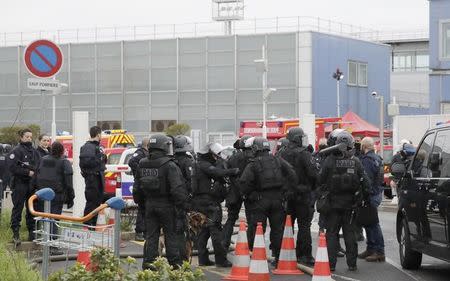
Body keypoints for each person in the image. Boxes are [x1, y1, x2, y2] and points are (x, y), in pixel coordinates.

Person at [240, 137, 298, 267]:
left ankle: (256, 257)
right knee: (278, 230)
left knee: (258, 229)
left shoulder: (253, 164)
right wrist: (287, 191)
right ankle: (278, 258)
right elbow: (292, 174)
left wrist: (250, 195)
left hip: (260, 200)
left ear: (255, 148)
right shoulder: (277, 160)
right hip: (278, 200)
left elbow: (244, 183)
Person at [133, 134, 189, 269]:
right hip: (168, 206)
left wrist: (142, 206)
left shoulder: (142, 163)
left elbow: (137, 188)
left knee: (151, 237)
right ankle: (175, 266)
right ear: (164, 146)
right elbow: (177, 190)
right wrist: (182, 208)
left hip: (150, 205)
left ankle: (148, 265)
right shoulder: (169, 165)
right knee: (171, 236)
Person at [318, 131, 370, 271]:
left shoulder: (328, 161)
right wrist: (364, 199)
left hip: (333, 204)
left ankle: (331, 265)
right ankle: (352, 264)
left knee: (332, 234)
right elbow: (366, 183)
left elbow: (320, 181)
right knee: (350, 234)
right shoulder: (355, 161)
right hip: (351, 205)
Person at [191, 142, 238, 267]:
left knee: (203, 230)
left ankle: (203, 259)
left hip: (199, 202)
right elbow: (217, 173)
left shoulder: (196, 164)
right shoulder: (205, 165)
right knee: (215, 230)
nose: (217, 157)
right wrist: (233, 171)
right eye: (215, 155)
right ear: (209, 154)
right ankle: (221, 260)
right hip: (209, 203)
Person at [278, 127, 317, 266]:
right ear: (297, 138)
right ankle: (304, 255)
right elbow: (314, 174)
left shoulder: (281, 153)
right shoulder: (304, 154)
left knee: (286, 226)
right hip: (302, 194)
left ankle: (283, 254)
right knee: (304, 226)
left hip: (286, 196)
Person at [32, 141, 75, 255]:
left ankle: (45, 244)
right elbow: (69, 183)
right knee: (54, 220)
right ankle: (53, 246)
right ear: (62, 151)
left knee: (45, 219)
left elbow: (36, 176)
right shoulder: (64, 162)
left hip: (42, 194)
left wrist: (35, 192)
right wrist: (71, 197)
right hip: (56, 195)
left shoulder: (43, 159)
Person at [8, 128, 40, 244]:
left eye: (30, 137)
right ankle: (15, 234)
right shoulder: (16, 151)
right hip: (19, 184)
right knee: (18, 208)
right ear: (21, 137)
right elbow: (12, 167)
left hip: (32, 185)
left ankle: (32, 233)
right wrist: (27, 172)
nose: (29, 139)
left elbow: (38, 166)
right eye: (27, 137)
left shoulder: (35, 152)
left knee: (31, 209)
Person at [357, 137, 386, 262]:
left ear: (364, 147)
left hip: (371, 194)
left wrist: (364, 195)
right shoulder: (378, 158)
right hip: (377, 192)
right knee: (369, 222)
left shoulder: (367, 160)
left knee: (373, 224)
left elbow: (366, 179)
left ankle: (379, 251)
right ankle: (371, 248)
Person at [222, 135, 252, 251]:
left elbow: (227, 172)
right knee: (251, 219)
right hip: (248, 190)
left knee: (231, 218)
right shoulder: (252, 157)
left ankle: (224, 244)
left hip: (234, 190)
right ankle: (250, 246)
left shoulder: (233, 157)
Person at [173, 135, 195, 261]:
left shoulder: (171, 160)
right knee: (182, 231)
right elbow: (191, 181)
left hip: (172, 200)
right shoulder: (187, 161)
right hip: (183, 200)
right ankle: (182, 258)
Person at [79, 126, 107, 226]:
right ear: (98, 134)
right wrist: (99, 159)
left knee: (96, 204)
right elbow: (86, 163)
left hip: (98, 178)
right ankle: (87, 226)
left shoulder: (97, 147)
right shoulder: (88, 147)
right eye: (101, 134)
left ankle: (92, 226)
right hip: (92, 179)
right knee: (92, 203)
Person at [128, 137, 150, 242]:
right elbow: (131, 162)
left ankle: (145, 231)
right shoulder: (140, 153)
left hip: (144, 185)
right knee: (142, 210)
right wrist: (140, 172)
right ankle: (139, 232)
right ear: (147, 145)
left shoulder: (146, 153)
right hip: (141, 185)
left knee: (146, 210)